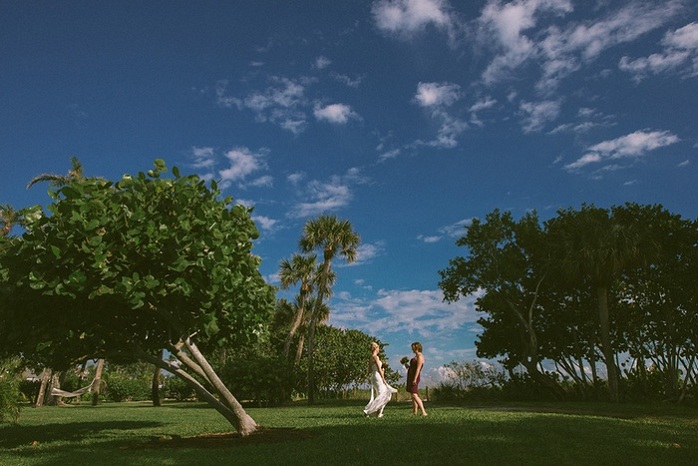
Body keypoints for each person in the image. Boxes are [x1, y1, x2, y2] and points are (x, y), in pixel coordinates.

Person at [363, 342, 397, 418]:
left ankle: (377, 412)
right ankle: (369, 411)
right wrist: (383, 378)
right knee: (385, 395)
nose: (379, 349)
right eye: (378, 348)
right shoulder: (376, 357)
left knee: (382, 394)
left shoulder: (371, 357)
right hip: (378, 376)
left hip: (373, 376)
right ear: (375, 348)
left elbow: (369, 370)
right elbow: (379, 369)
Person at [406, 341, 427, 416]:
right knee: (413, 394)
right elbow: (413, 367)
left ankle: (423, 412)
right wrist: (406, 365)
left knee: (414, 395)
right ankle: (414, 412)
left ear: (417, 347)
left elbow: (418, 368)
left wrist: (415, 379)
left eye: (413, 347)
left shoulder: (420, 356)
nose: (412, 349)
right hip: (411, 375)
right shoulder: (415, 356)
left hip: (415, 376)